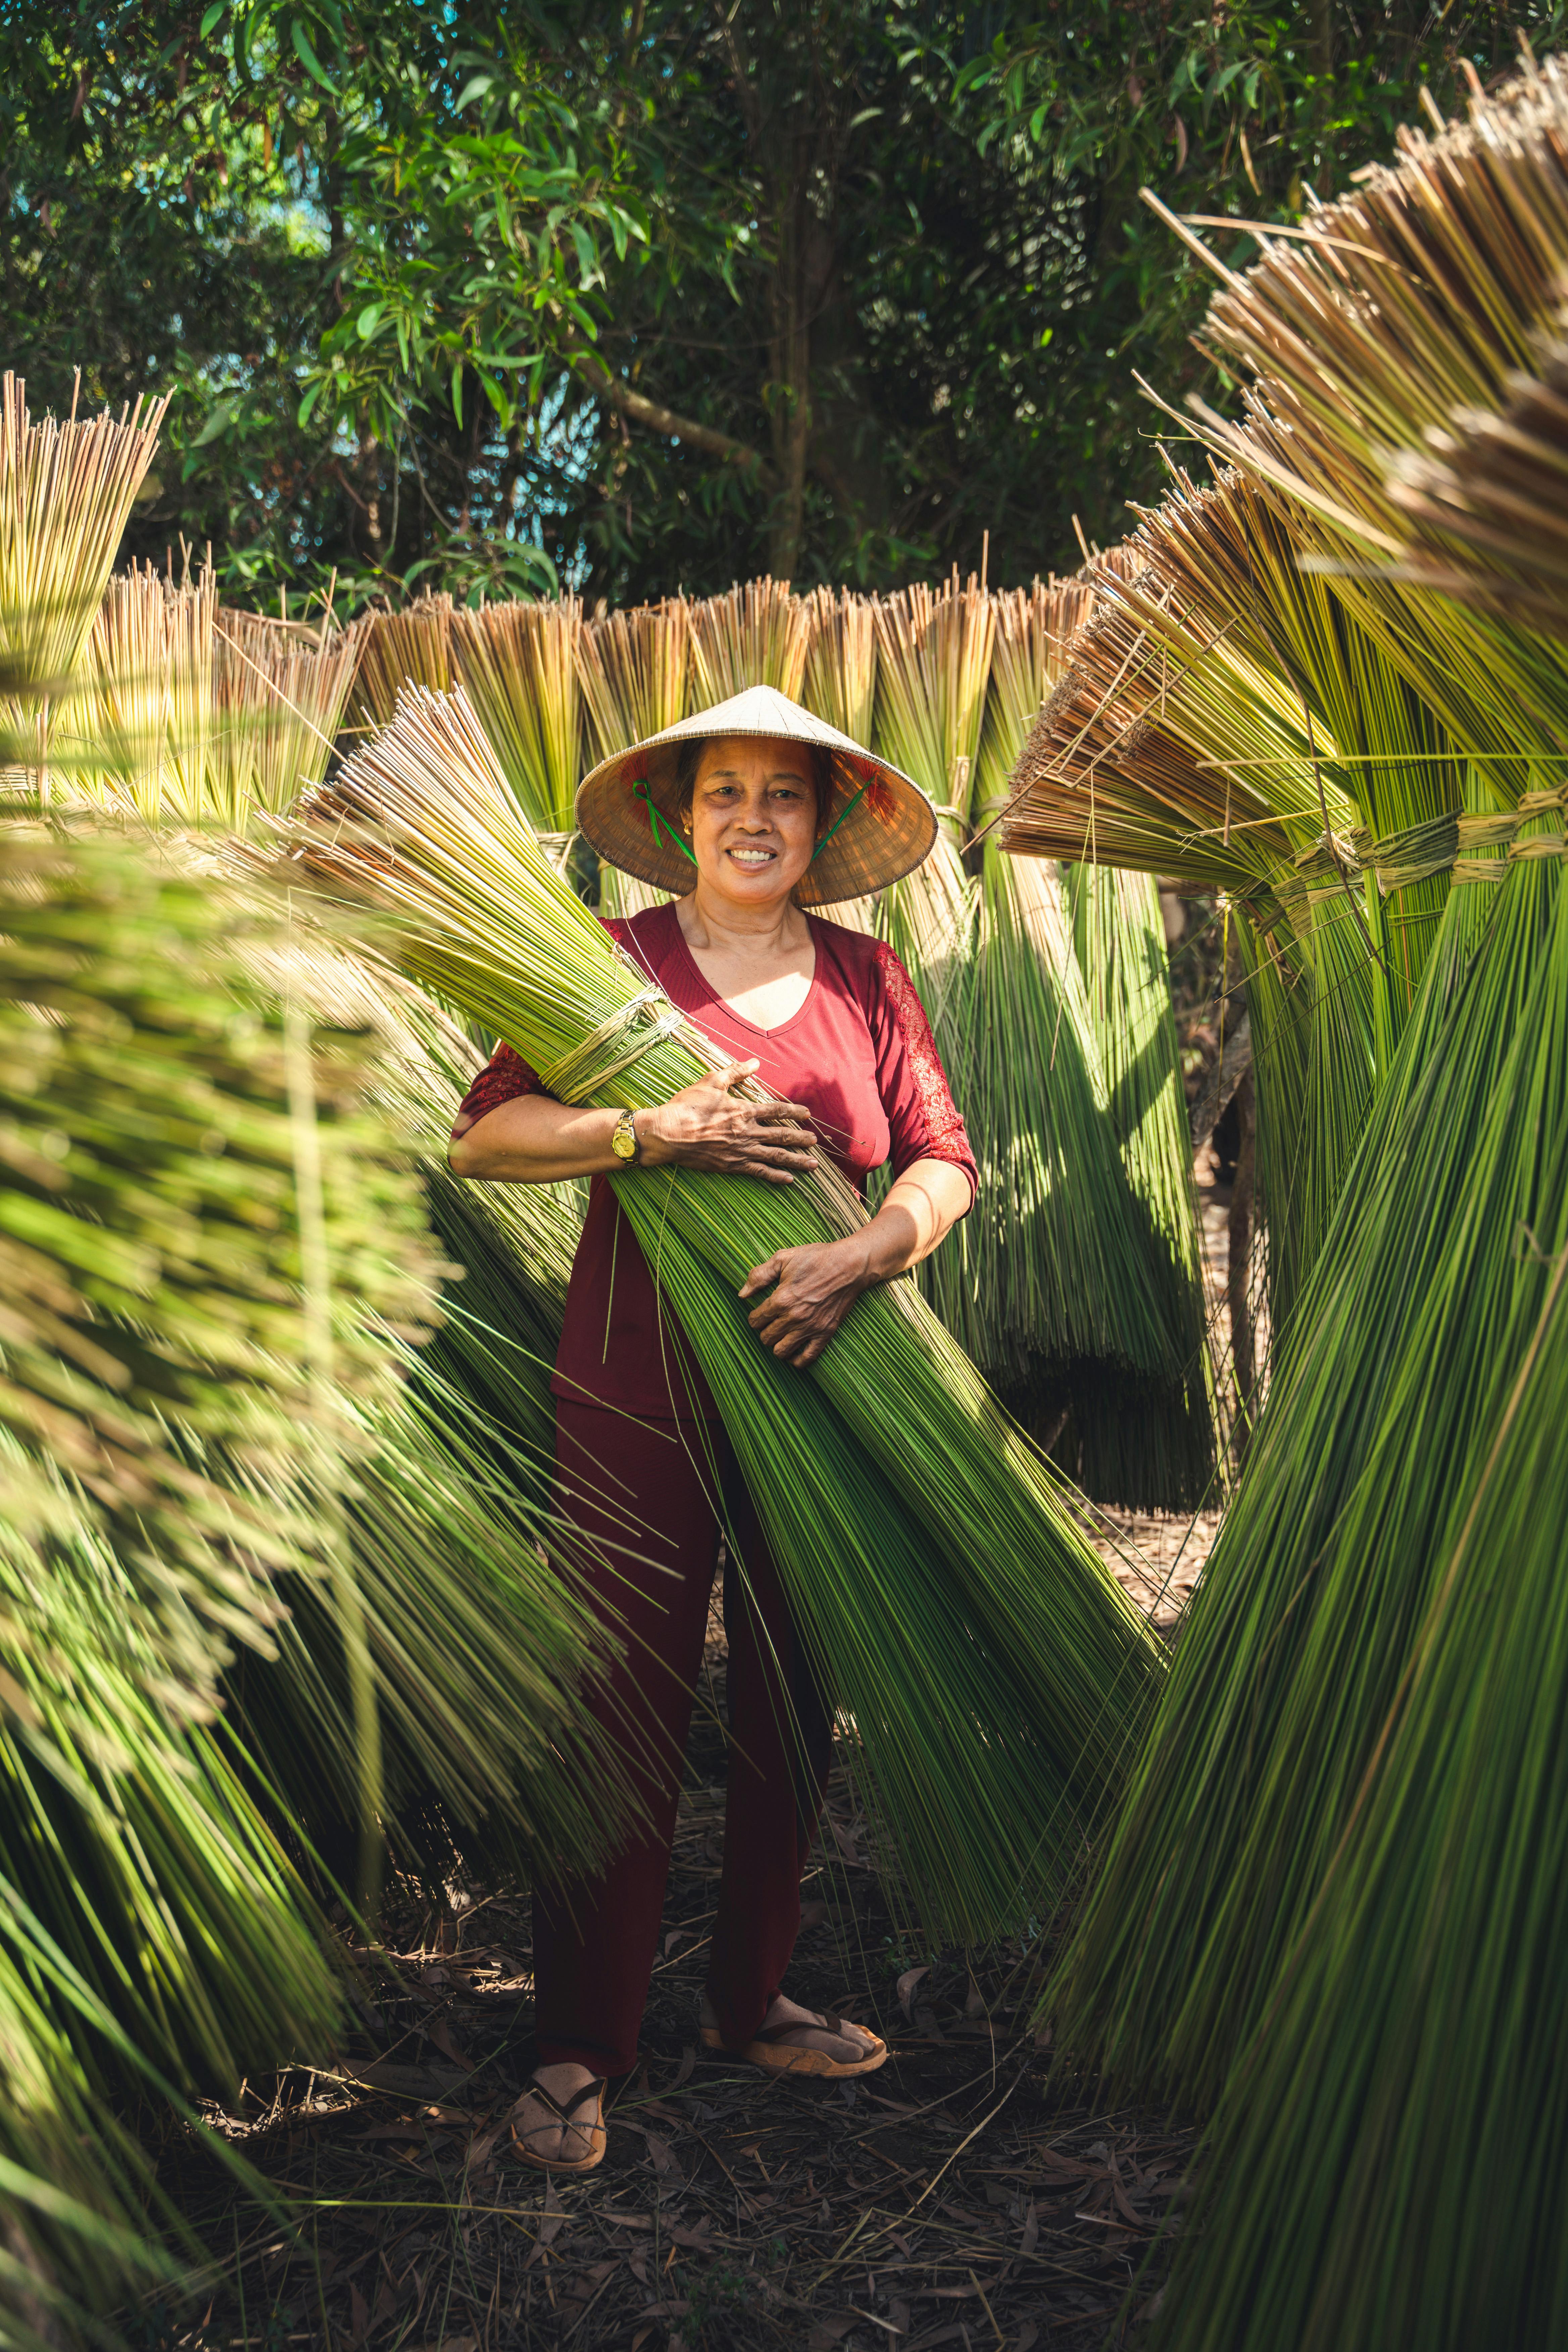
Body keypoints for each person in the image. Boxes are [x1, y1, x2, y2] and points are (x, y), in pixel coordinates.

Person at [448, 684, 976, 2171]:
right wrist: (642, 1131)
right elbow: (483, 1132)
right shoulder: (609, 966)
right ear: (680, 816)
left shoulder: (869, 980)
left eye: (786, 795)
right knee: (616, 1697)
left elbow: (943, 1158)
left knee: (792, 1703)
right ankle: (575, 2044)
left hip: (828, 1378)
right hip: (635, 1378)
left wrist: (866, 1253)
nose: (754, 818)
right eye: (725, 790)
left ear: (826, 822)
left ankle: (749, 1997)